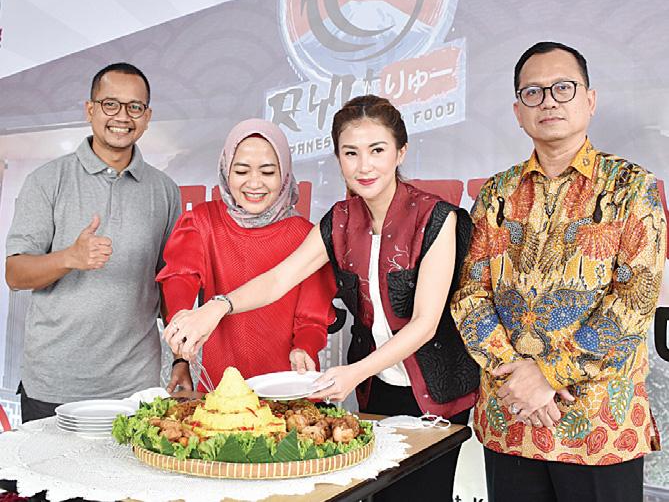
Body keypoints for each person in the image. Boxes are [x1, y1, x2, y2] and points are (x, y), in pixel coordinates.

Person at [164, 95, 480, 501]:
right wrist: (217, 306)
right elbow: (278, 279)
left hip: (435, 391)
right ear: (338, 158)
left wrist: (354, 372)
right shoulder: (340, 220)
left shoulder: (437, 218)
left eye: (377, 150)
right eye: (351, 153)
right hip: (378, 388)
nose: (364, 166)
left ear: (401, 152)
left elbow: (425, 323)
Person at [451, 42, 665, 502]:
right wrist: (518, 381)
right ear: (518, 111)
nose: (548, 101)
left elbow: (634, 301)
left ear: (589, 100)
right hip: (512, 421)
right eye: (533, 92)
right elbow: (470, 295)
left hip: (598, 427)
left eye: (563, 88)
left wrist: (548, 374)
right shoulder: (496, 194)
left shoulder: (632, 188)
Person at [5, 63, 181, 422]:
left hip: (135, 387)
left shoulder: (164, 190)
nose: (122, 117)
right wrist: (69, 257)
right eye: (110, 104)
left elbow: (171, 283)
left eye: (134, 107)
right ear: (90, 110)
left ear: (147, 117)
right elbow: (15, 274)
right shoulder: (47, 180)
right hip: (53, 384)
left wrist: (180, 358)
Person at [156, 118, 337, 392]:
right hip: (221, 390)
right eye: (241, 171)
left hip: (286, 389)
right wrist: (181, 339)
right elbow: (179, 277)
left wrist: (304, 347)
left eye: (268, 172)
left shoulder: (306, 236)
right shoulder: (203, 221)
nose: (254, 183)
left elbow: (312, 318)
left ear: (285, 174)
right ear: (226, 171)